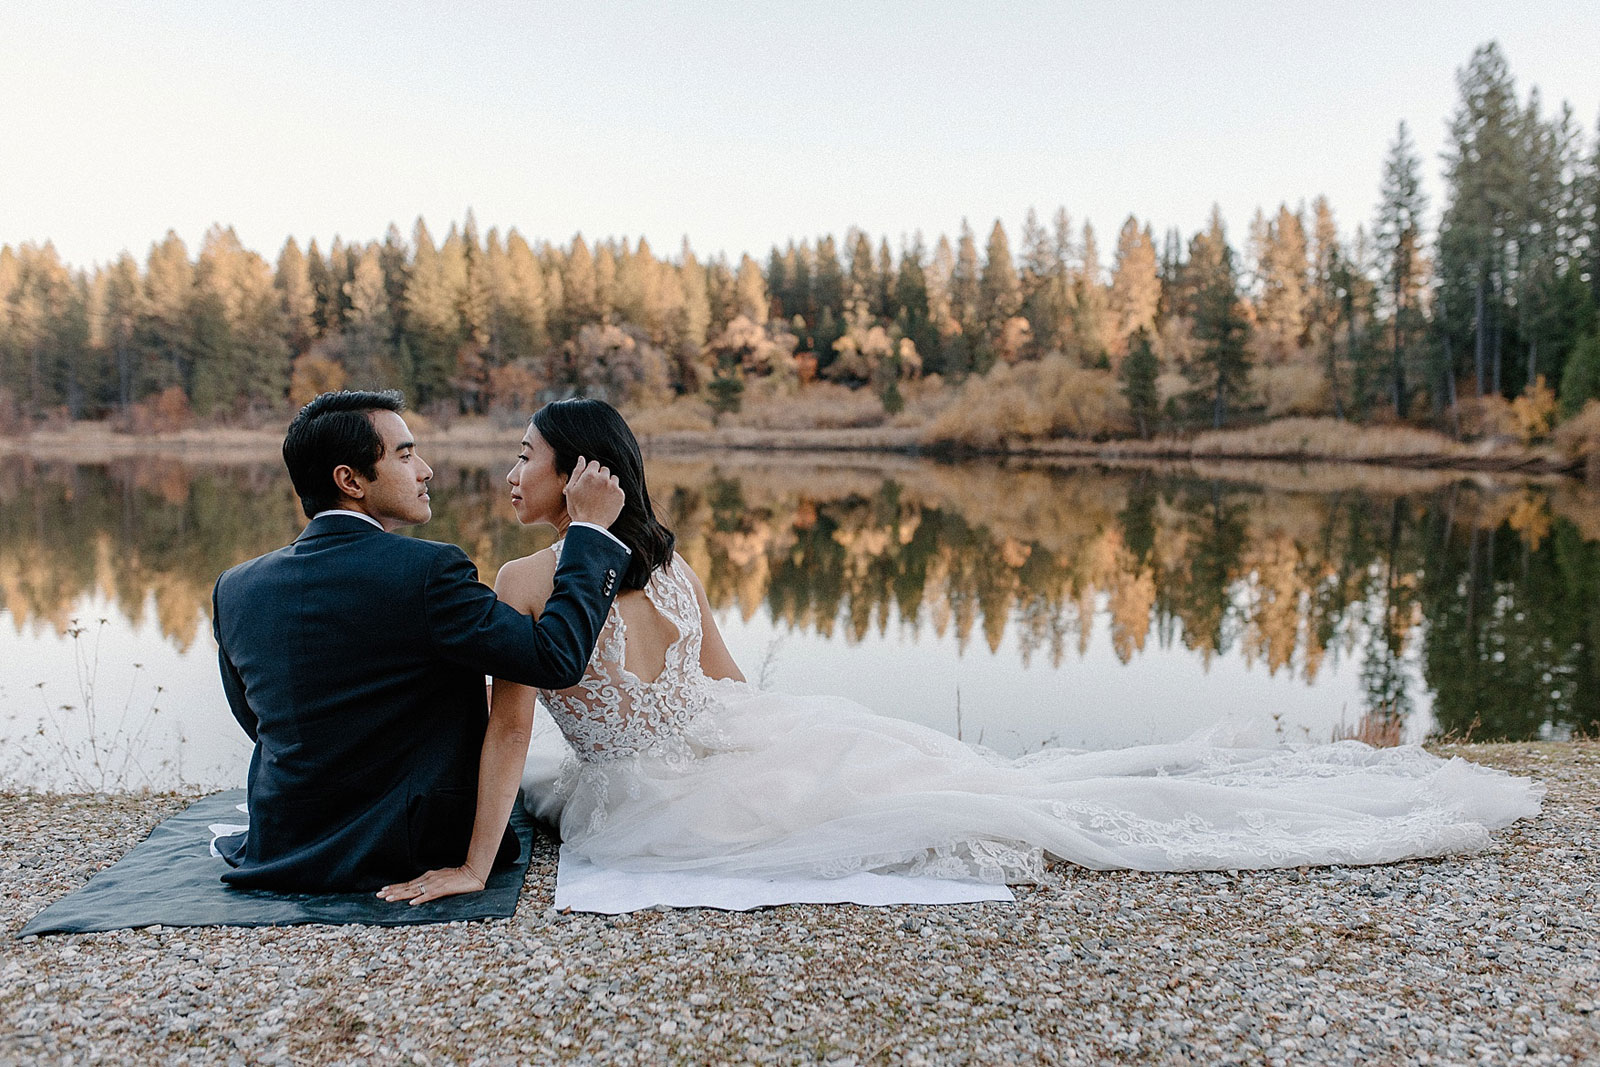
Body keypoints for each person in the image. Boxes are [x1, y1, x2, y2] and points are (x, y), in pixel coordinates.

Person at [379, 399, 1543, 904]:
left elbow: (511, 728)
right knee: (934, 775)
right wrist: (763, 739)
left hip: (646, 791)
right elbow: (728, 685)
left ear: (578, 470)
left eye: (524, 456)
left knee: (925, 800)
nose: (508, 472)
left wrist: (479, 866)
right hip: (724, 738)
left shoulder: (528, 578)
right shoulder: (669, 564)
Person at [212, 390, 631, 892]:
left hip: (282, 843)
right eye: (406, 455)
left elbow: (256, 719)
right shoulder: (429, 572)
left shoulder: (235, 586)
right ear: (349, 480)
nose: (426, 470)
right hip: (410, 848)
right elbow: (554, 658)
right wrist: (588, 533)